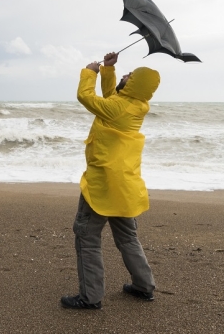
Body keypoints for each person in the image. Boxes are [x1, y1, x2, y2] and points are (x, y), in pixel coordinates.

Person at [60, 52, 161, 310]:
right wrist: (108, 71)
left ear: (135, 85)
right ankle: (143, 286)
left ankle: (90, 297)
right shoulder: (133, 105)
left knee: (87, 234)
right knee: (127, 237)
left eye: (130, 76)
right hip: (125, 186)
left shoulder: (118, 108)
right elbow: (112, 100)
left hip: (103, 184)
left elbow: (87, 97)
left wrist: (90, 72)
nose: (126, 75)